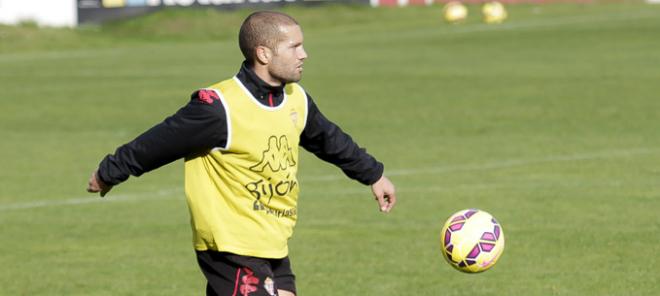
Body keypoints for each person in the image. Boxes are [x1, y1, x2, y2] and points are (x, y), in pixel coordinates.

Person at [86, 11, 396, 296]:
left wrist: (373, 174)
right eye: (294, 46)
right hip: (230, 245)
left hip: (272, 240)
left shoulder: (295, 98)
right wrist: (109, 172)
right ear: (263, 53)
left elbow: (329, 140)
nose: (304, 54)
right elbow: (157, 143)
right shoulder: (219, 107)